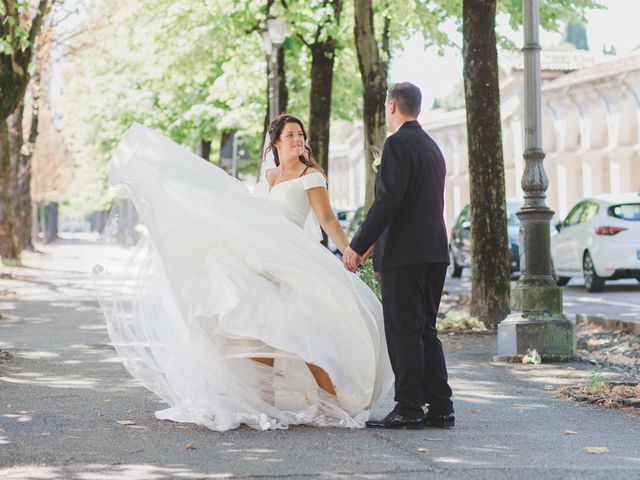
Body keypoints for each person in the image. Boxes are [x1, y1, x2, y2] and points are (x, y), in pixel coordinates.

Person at [95, 114, 393, 432]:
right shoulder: (266, 177)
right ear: (275, 142)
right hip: (259, 260)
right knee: (260, 328)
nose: (297, 140)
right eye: (290, 135)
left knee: (308, 330)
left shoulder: (311, 176)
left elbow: (328, 220)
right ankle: (266, 403)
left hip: (293, 260)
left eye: (300, 135)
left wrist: (351, 250)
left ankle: (331, 405)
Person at [343, 82, 455, 430]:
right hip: (434, 252)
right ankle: (440, 407)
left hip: (405, 256)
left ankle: (408, 407)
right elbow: (413, 203)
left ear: (392, 106)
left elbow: (387, 200)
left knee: (404, 331)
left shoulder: (396, 144)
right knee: (425, 330)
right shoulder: (431, 146)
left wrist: (358, 244)